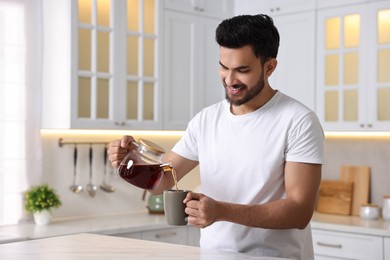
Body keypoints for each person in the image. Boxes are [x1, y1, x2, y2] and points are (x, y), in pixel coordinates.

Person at [108, 14, 324, 259]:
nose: (230, 80)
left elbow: (299, 211)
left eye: (242, 70)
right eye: (224, 67)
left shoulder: (298, 121)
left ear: (270, 67)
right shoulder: (206, 120)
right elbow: (163, 180)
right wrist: (130, 161)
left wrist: (222, 211)